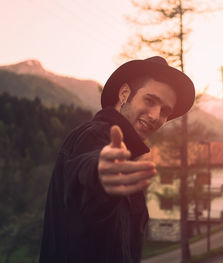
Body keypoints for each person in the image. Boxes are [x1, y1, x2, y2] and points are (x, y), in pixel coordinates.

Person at [39, 56, 195, 263]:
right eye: (150, 100)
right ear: (124, 94)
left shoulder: (126, 157)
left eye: (165, 111)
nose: (156, 116)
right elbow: (87, 168)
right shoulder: (93, 136)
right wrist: (99, 174)